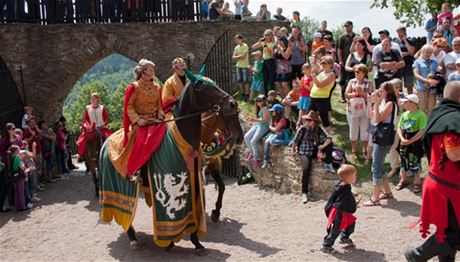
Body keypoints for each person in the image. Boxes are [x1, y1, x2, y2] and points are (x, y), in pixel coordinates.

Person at [404, 81, 460, 262]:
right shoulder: (453, 119)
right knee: (456, 234)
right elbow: (453, 153)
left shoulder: (439, 113)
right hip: (448, 188)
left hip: (438, 181)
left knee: (445, 230)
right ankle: (418, 254)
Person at [107, 59, 165, 178]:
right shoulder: (135, 87)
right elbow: (129, 107)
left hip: (155, 120)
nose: (153, 71)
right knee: (138, 137)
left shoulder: (157, 86)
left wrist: (160, 113)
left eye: (153, 69)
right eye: (150, 69)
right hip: (141, 121)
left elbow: (160, 104)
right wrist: (138, 120)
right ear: (143, 72)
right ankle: (136, 169)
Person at [363, 82, 397, 206]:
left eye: (382, 90)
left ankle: (375, 198)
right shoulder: (383, 102)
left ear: (388, 91)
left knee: (376, 168)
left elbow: (377, 119)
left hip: (384, 138)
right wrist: (369, 101)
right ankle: (388, 192)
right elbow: (370, 116)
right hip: (379, 136)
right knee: (380, 166)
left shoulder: (389, 104)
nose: (379, 92)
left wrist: (376, 103)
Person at [292, 111, 333, 204]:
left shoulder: (318, 129)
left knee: (330, 144)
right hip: (304, 151)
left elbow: (329, 137)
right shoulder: (302, 129)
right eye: (307, 120)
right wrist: (292, 151)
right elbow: (295, 140)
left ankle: (328, 162)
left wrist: (322, 147)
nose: (307, 121)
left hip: (313, 149)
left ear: (315, 121)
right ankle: (304, 193)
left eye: (309, 120)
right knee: (306, 169)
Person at [394, 94, 427, 194]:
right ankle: (403, 180)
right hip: (404, 140)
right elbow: (399, 128)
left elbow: (421, 131)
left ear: (413, 103)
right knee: (403, 160)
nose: (403, 103)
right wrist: (402, 139)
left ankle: (416, 182)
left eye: (405, 102)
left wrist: (410, 141)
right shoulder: (404, 114)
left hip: (414, 142)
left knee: (415, 161)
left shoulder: (421, 115)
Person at [321, 164, 357, 253]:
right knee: (337, 229)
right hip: (339, 212)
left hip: (344, 211)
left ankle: (345, 237)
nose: (356, 177)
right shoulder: (344, 188)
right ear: (349, 178)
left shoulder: (343, 184)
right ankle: (326, 245)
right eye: (354, 175)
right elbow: (342, 201)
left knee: (351, 223)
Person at [345, 64, 373, 158]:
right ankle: (354, 149)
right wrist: (355, 94)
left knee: (365, 129)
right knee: (353, 128)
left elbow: (371, 96)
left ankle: (365, 150)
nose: (356, 73)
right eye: (355, 71)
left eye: (358, 71)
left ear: (364, 73)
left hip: (365, 109)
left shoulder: (369, 82)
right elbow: (346, 94)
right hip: (353, 109)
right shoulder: (351, 81)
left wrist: (362, 93)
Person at [77, 92, 112, 162]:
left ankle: (109, 155)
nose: (92, 100)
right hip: (91, 128)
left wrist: (103, 124)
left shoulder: (102, 108)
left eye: (94, 98)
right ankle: (81, 155)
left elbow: (106, 118)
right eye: (91, 98)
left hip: (101, 128)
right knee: (81, 141)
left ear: (97, 99)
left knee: (109, 138)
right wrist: (89, 125)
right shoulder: (87, 108)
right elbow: (86, 119)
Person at [309, 56, 336, 134]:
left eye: (324, 63)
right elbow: (316, 66)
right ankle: (310, 135)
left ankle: (328, 138)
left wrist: (313, 76)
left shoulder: (331, 75)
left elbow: (320, 85)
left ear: (330, 64)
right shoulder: (322, 72)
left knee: (324, 120)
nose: (322, 64)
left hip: (322, 99)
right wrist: (314, 62)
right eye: (321, 63)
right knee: (309, 117)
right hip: (313, 97)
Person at [261, 104, 291, 168]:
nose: (272, 112)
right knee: (266, 142)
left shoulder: (282, 119)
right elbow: (273, 129)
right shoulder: (274, 118)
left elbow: (275, 129)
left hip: (281, 134)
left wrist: (270, 126)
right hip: (276, 134)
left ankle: (288, 142)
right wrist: (271, 127)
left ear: (278, 112)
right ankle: (265, 160)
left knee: (272, 142)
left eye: (273, 111)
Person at [244, 94, 270, 169]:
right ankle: (252, 153)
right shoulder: (261, 108)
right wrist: (252, 120)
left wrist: (253, 119)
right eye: (257, 100)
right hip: (258, 125)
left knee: (253, 141)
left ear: (264, 101)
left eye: (260, 100)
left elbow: (265, 120)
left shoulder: (265, 108)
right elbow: (260, 119)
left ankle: (257, 158)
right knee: (246, 137)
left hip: (264, 127)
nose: (258, 102)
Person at [413, 44, 439, 116]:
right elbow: (416, 75)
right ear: (422, 52)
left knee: (432, 109)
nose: (428, 54)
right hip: (421, 88)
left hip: (432, 88)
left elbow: (438, 73)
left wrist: (434, 80)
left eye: (430, 52)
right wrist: (426, 81)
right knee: (422, 108)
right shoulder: (417, 62)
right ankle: (422, 126)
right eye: (427, 52)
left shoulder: (435, 62)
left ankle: (431, 125)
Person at [338, 21, 357, 102]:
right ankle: (342, 96)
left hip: (354, 62)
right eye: (345, 26)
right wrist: (340, 60)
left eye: (348, 26)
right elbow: (339, 50)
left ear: (352, 26)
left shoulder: (356, 36)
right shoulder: (342, 37)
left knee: (353, 80)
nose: (346, 28)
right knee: (342, 80)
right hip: (344, 61)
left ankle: (352, 96)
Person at [252, 29, 276, 95]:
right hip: (265, 62)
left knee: (271, 80)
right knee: (265, 80)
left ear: (271, 35)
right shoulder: (263, 43)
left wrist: (265, 45)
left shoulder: (273, 43)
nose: (266, 36)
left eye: (268, 35)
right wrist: (259, 42)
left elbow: (271, 54)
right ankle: (266, 96)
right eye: (265, 35)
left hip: (271, 62)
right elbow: (253, 47)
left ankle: (272, 96)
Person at [9, 145, 32, 211]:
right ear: (16, 151)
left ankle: (18, 206)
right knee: (21, 192)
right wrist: (29, 169)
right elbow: (23, 168)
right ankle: (22, 206)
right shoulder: (17, 158)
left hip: (14, 176)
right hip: (20, 177)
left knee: (17, 192)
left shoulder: (12, 158)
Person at [395, 26, 416, 94]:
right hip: (399, 65)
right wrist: (406, 53)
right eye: (397, 33)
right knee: (398, 84)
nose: (398, 34)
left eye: (400, 32)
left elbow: (412, 52)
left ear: (404, 32)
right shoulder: (395, 42)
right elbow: (397, 53)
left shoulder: (411, 41)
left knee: (409, 84)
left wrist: (405, 41)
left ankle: (410, 98)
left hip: (408, 64)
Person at [233, 34, 250, 100]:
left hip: (245, 66)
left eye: (237, 39)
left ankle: (247, 95)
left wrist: (238, 57)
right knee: (240, 81)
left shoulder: (245, 46)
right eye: (235, 40)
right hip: (238, 66)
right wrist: (240, 56)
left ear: (241, 39)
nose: (236, 41)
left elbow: (244, 57)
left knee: (246, 81)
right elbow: (233, 57)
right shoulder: (236, 47)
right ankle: (242, 94)